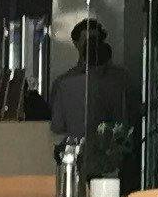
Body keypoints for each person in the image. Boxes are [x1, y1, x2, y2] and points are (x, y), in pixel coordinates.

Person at [45, 18, 135, 153]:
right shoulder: (64, 82)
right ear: (76, 43)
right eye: (87, 41)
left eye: (95, 40)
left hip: (112, 151)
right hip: (83, 151)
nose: (92, 44)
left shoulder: (121, 78)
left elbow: (130, 118)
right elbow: (56, 124)